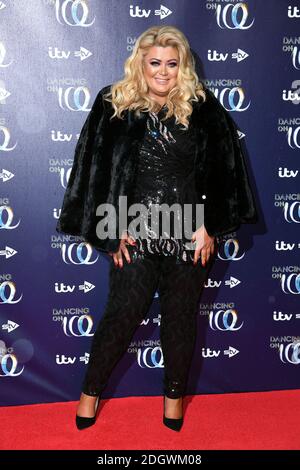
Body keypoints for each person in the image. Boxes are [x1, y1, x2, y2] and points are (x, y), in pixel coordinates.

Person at [56, 25, 258, 432]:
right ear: (140, 63)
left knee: (181, 320)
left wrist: (211, 228)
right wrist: (109, 230)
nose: (163, 72)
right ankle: (89, 394)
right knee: (121, 316)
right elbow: (92, 171)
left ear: (182, 65)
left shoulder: (203, 106)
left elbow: (224, 172)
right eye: (155, 63)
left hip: (188, 229)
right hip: (132, 227)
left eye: (171, 63)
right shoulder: (113, 103)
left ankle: (173, 402)